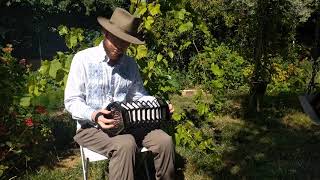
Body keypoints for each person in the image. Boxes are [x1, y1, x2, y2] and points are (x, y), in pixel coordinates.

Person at [64, 7, 175, 180]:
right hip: (91, 128)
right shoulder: (83, 59)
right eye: (116, 40)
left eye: (125, 42)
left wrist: (159, 103)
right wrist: (94, 115)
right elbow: (71, 101)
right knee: (125, 144)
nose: (119, 47)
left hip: (129, 125)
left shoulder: (130, 64)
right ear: (105, 33)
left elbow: (138, 95)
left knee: (165, 141)